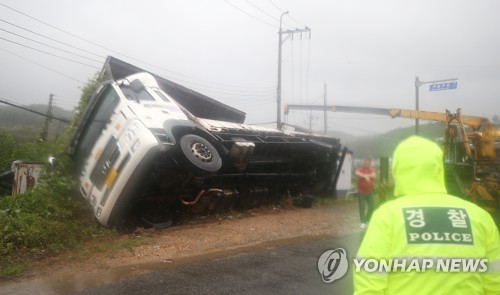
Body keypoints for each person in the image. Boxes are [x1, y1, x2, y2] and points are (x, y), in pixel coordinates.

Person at [353, 136, 500, 294]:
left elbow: (369, 278)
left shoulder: (387, 216)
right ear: (438, 170)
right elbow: (495, 281)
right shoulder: (480, 216)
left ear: (398, 171)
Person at [355, 158, 376, 228]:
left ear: (369, 163)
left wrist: (366, 176)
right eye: (365, 162)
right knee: (362, 206)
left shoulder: (371, 170)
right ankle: (363, 222)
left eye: (367, 162)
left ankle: (366, 219)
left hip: (369, 191)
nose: (366, 164)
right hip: (361, 191)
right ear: (363, 163)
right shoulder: (360, 169)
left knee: (372, 206)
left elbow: (374, 175)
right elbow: (357, 173)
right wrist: (365, 176)